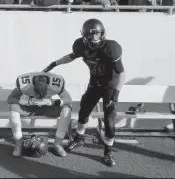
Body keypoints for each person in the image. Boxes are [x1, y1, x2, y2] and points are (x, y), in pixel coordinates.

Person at [42, 18, 126, 167]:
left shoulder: (111, 48)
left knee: (109, 119)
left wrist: (115, 96)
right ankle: (79, 138)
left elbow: (121, 74)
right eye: (91, 35)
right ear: (84, 36)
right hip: (95, 83)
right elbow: (71, 56)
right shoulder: (80, 45)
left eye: (97, 35)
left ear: (102, 34)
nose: (95, 39)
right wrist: (55, 63)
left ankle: (108, 151)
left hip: (110, 86)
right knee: (83, 111)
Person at [7, 71, 72, 157]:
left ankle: (58, 144)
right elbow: (10, 99)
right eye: (37, 94)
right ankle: (19, 144)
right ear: (32, 87)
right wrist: (27, 101)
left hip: (47, 107)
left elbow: (68, 99)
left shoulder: (55, 83)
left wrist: (53, 102)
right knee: (13, 108)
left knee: (67, 109)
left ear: (48, 87)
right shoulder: (25, 83)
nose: (39, 98)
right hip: (29, 106)